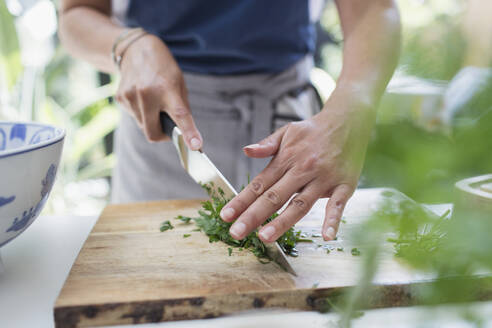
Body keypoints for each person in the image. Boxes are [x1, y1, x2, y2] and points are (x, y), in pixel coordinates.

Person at [59, 0, 400, 243]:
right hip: (165, 123)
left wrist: (348, 114)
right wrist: (128, 45)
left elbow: (373, 9)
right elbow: (77, 13)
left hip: (292, 142)